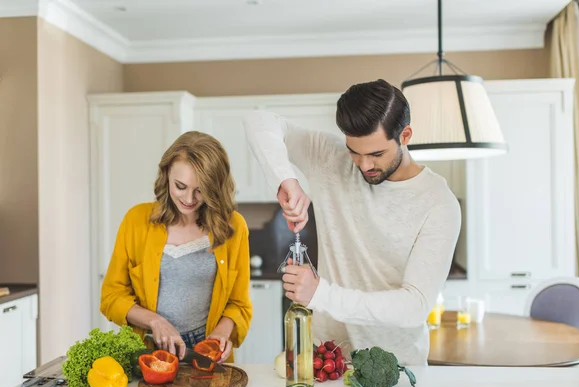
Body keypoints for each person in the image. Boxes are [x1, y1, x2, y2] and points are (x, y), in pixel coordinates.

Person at [243, 79, 461, 366]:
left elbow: (414, 306)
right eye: (354, 151)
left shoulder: (438, 203)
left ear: (405, 135)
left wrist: (322, 295)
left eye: (376, 154)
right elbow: (258, 121)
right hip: (326, 359)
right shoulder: (328, 157)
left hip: (395, 367)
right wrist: (287, 180)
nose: (364, 165)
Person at [100, 131, 252, 363]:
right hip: (148, 351)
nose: (189, 199)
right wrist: (155, 321)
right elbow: (111, 297)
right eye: (180, 186)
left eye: (201, 190)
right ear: (166, 175)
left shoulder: (233, 227)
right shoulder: (136, 221)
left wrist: (222, 332)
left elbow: (239, 304)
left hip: (206, 353)